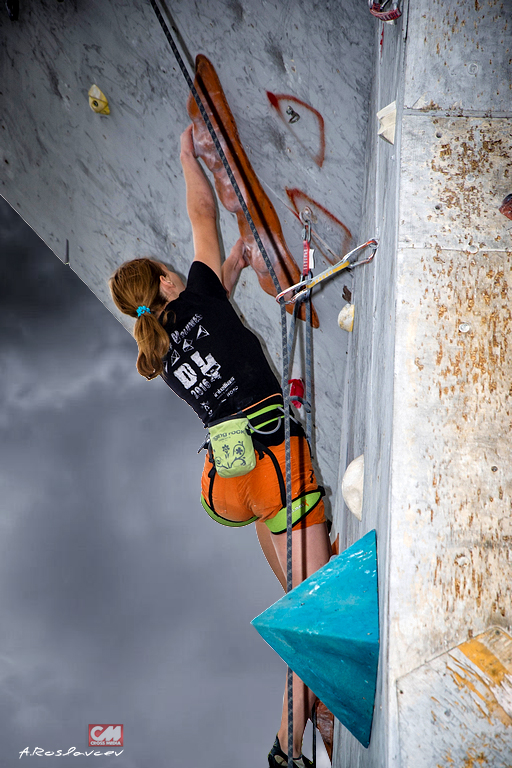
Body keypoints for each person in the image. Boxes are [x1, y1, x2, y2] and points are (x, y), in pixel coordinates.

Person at [109, 125, 331, 768]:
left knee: (299, 595)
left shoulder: (162, 353)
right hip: (274, 460)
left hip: (237, 482)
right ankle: (287, 747)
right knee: (313, 611)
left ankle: (312, 703)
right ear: (165, 277)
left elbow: (215, 330)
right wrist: (186, 154)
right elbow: (202, 212)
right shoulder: (202, 294)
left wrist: (231, 269)